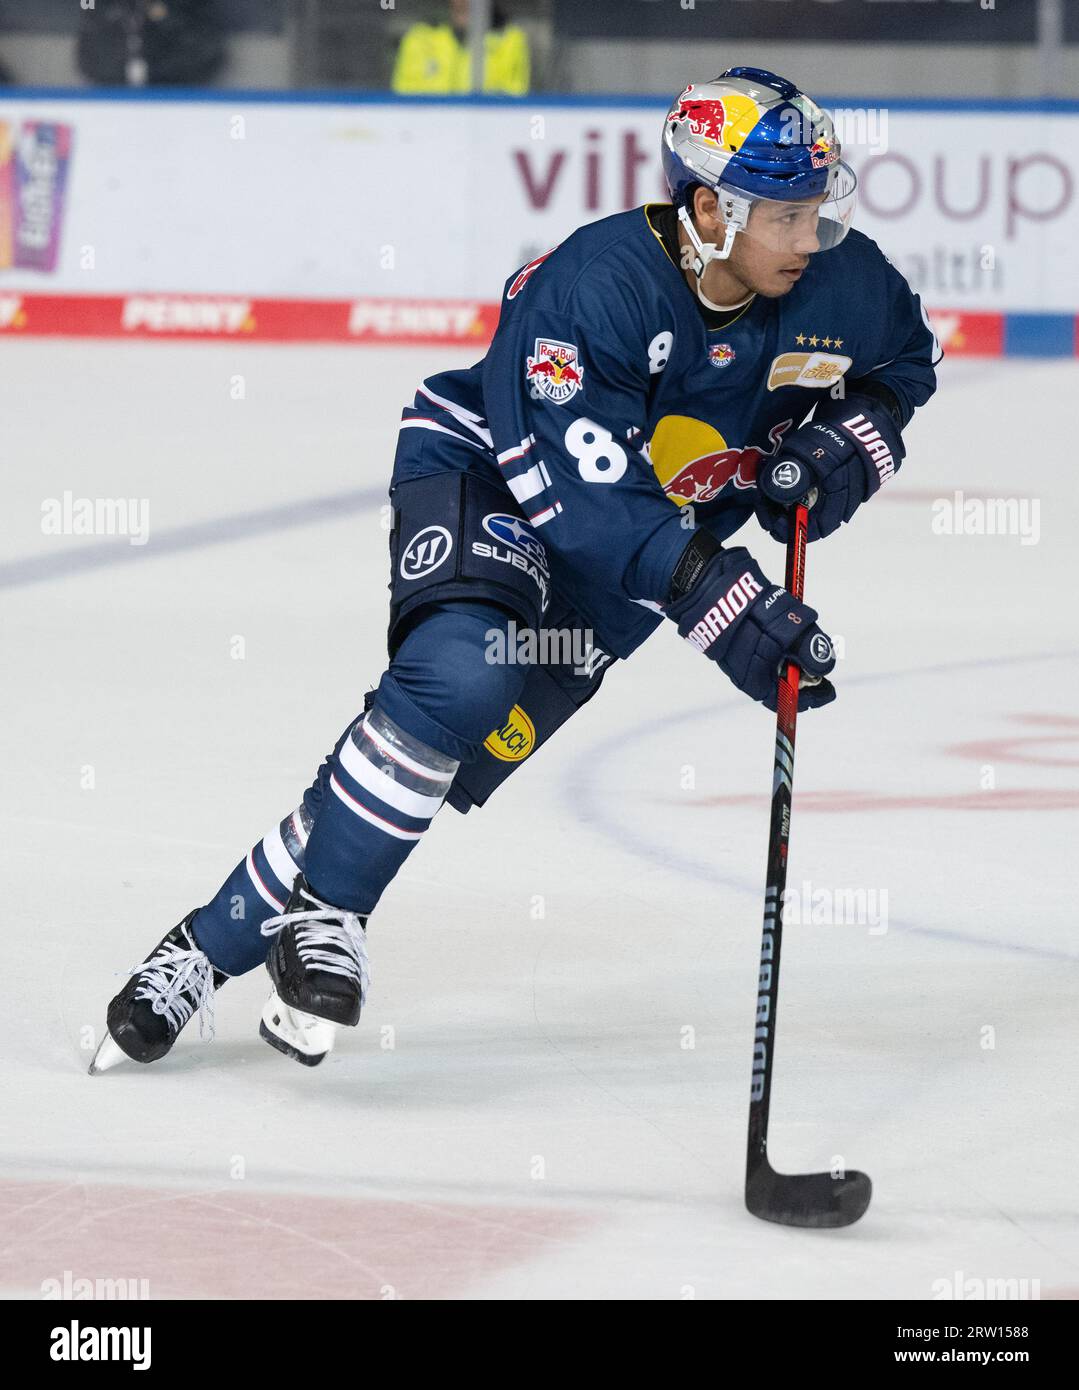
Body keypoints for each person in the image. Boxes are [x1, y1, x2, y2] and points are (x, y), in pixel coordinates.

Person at [91, 66, 939, 1074]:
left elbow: (903, 366)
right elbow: (580, 501)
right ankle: (329, 912)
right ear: (709, 206)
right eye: (788, 216)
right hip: (493, 482)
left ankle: (204, 943)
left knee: (432, 747)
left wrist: (850, 442)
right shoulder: (599, 284)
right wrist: (716, 596)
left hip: (634, 551)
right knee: (462, 672)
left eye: (819, 209)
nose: (811, 238)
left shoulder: (839, 283)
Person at [391, 0, 529, 96]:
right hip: (429, 132)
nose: (464, 2)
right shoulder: (420, 38)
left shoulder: (509, 40)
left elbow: (513, 101)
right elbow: (404, 100)